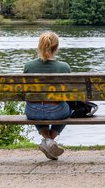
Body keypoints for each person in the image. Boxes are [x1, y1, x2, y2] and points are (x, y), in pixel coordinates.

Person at [24, 31, 71, 160]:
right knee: (69, 109)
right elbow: (69, 94)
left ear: (39, 46)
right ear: (56, 48)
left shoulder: (28, 67)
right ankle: (50, 142)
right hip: (57, 111)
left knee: (35, 105)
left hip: (33, 112)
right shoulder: (64, 67)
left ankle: (48, 141)